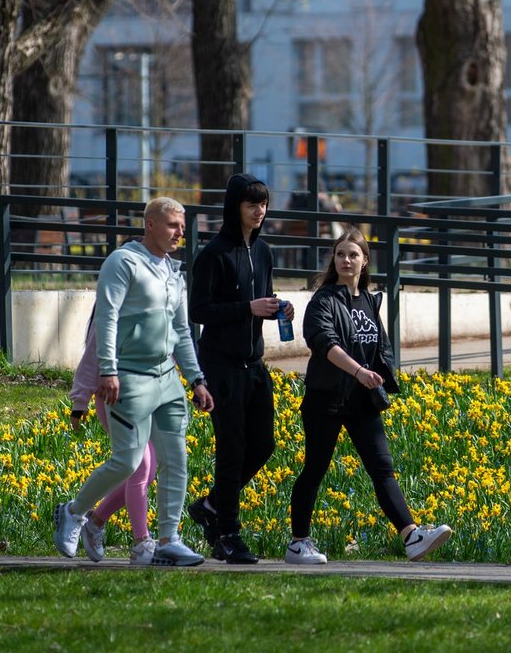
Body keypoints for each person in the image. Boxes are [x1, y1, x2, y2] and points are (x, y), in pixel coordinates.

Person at [53, 197, 214, 566]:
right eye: (173, 225)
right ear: (151, 224)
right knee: (127, 461)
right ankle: (75, 512)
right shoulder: (123, 262)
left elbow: (182, 331)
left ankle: (168, 539)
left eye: (183, 226)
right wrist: (107, 370)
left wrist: (196, 378)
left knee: (175, 459)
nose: (180, 233)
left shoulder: (174, 272)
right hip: (129, 376)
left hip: (167, 378)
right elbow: (106, 318)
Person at [286, 228, 453, 565]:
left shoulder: (368, 300)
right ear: (334, 260)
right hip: (326, 397)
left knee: (382, 468)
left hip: (362, 399)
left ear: (365, 261)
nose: (346, 260)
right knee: (315, 468)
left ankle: (412, 536)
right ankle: (298, 543)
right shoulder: (324, 299)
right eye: (340, 254)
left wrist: (381, 377)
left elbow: (377, 346)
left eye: (353, 255)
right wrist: (358, 371)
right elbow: (324, 343)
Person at [187, 173, 293, 564]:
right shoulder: (213, 253)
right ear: (235, 208)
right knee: (230, 450)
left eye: (263, 204)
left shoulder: (264, 251)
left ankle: (212, 505)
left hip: (254, 362)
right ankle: (227, 534)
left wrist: (277, 308)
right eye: (252, 205)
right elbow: (198, 311)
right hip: (221, 363)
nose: (259, 211)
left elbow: (260, 298)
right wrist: (246, 309)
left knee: (263, 444)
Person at [69, 296, 158, 565]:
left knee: (147, 470)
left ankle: (95, 521)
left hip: (146, 394)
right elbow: (91, 354)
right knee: (140, 467)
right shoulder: (113, 298)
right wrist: (79, 402)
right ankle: (142, 542)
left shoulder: (151, 292)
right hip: (112, 397)